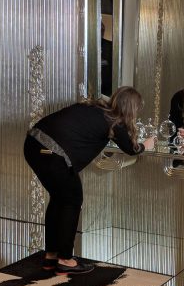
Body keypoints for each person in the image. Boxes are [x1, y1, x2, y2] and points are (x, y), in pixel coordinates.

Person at [24, 86, 155, 275]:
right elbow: (131, 149)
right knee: (72, 200)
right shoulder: (114, 122)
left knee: (59, 199)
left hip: (32, 144)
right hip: (54, 155)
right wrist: (146, 145)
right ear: (131, 109)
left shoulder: (96, 108)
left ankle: (51, 256)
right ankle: (65, 260)